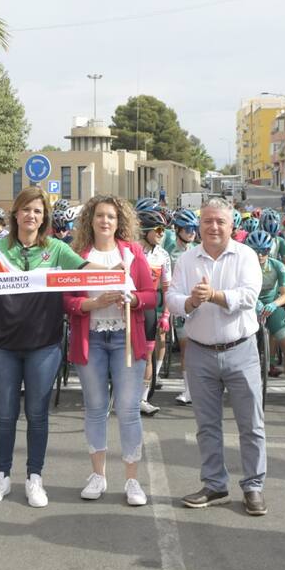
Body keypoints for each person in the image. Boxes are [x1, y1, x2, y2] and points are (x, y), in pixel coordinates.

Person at [0, 186, 93, 508]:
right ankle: (1, 475)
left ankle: (34, 478)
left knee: (37, 414)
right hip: (2, 345)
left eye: (38, 211)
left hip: (44, 345)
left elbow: (85, 271)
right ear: (16, 213)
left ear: (45, 218)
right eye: (27, 209)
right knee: (5, 414)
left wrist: (117, 276)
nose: (32, 215)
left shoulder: (57, 249)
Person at [166, 199, 267, 515]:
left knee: (251, 424)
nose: (213, 227)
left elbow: (250, 296)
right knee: (207, 425)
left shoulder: (246, 255)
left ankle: (253, 486)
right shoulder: (186, 259)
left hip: (241, 350)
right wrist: (192, 302)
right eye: (208, 221)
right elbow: (171, 299)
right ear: (199, 225)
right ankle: (214, 484)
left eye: (220, 222)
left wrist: (214, 296)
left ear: (231, 225)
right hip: (200, 352)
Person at [64, 196, 157, 506]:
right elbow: (68, 300)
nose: (105, 221)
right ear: (90, 219)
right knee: (95, 408)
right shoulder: (77, 256)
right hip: (91, 338)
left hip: (125, 339)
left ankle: (132, 480)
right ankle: (98, 476)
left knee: (129, 410)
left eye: (111, 217)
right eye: (100, 215)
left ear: (120, 222)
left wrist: (134, 301)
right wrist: (93, 304)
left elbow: (150, 295)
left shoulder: (132, 254)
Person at [246, 230, 285, 404]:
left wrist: (274, 304)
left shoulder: (277, 266)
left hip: (272, 306)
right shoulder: (243, 266)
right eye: (256, 251)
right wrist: (254, 302)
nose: (260, 255)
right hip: (249, 306)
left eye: (264, 251)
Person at [138, 208, 172, 416]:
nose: (162, 234)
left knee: (148, 353)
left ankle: (142, 398)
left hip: (149, 307)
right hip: (129, 307)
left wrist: (166, 314)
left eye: (164, 230)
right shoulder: (130, 250)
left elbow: (168, 288)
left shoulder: (162, 255)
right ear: (145, 230)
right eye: (159, 229)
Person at [166, 208, 201, 405]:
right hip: (180, 304)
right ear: (178, 229)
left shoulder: (198, 250)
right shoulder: (169, 252)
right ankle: (188, 390)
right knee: (186, 348)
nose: (191, 233)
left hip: (199, 303)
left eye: (194, 229)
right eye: (187, 229)